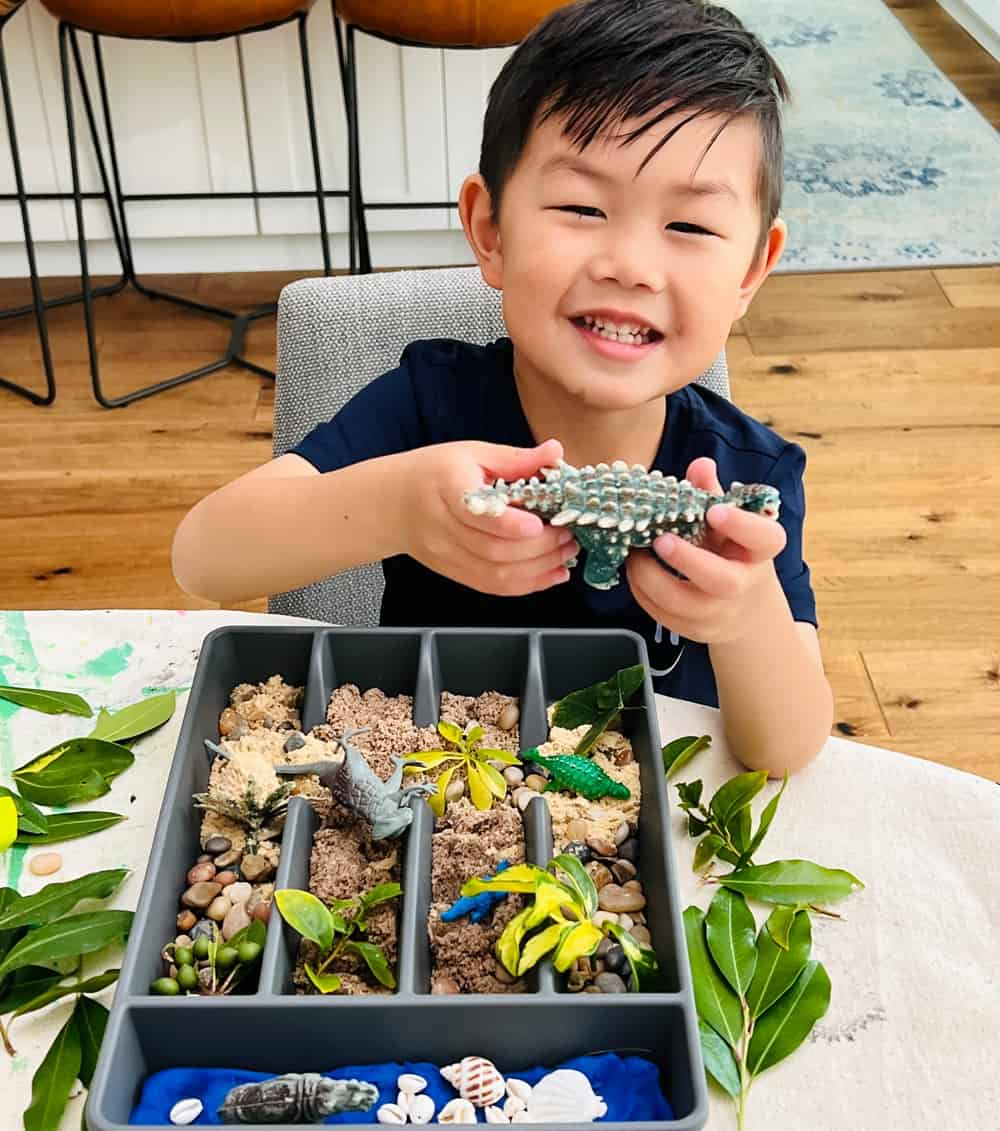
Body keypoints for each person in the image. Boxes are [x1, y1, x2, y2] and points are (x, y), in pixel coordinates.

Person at [172, 0, 833, 775]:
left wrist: (746, 612)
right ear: (490, 231)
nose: (630, 265)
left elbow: (785, 750)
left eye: (688, 227)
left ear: (753, 268)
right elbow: (204, 558)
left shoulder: (749, 475)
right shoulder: (428, 405)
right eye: (583, 207)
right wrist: (399, 506)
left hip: (643, 812)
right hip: (429, 781)